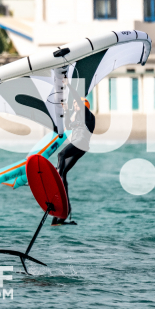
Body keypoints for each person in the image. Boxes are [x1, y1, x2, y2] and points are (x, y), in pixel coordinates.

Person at [53, 97, 95, 226]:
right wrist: (66, 110)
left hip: (81, 142)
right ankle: (66, 209)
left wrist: (70, 88)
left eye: (76, 103)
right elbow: (67, 125)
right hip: (80, 146)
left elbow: (79, 101)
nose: (75, 105)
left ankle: (58, 178)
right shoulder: (77, 117)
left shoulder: (87, 115)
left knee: (61, 154)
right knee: (64, 171)